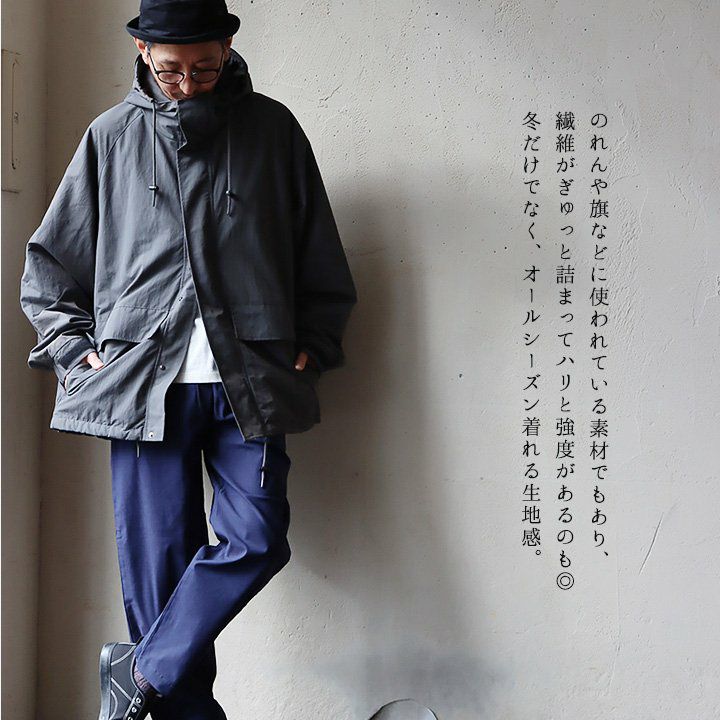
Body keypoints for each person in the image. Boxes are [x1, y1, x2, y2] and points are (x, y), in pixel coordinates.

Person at [19, 1, 358, 719]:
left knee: (258, 538)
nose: (188, 84)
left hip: (251, 381)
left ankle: (138, 671)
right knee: (161, 582)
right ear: (143, 51)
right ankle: (164, 692)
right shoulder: (111, 137)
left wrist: (316, 342)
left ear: (228, 46)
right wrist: (76, 352)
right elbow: (49, 269)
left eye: (204, 68)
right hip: (144, 389)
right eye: (172, 70)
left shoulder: (272, 130)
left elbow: (318, 251)